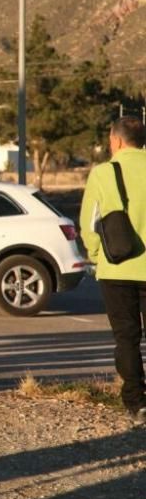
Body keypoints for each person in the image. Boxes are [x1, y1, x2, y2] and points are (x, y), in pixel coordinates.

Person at [79, 116, 146, 426]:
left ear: (117, 141)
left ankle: (136, 403)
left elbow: (89, 224)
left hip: (116, 269)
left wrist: (96, 256)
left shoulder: (103, 173)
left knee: (127, 338)